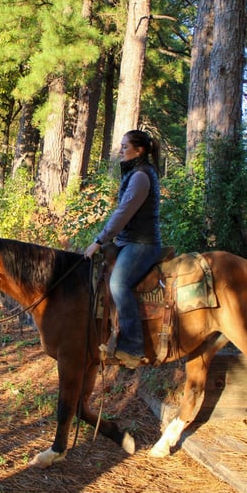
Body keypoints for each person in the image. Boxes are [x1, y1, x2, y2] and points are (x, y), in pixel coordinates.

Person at [84, 129, 162, 369]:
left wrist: (99, 240)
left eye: (125, 146)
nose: (121, 150)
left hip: (142, 243)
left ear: (139, 150)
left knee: (118, 283)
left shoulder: (140, 176)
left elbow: (124, 212)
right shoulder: (135, 173)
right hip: (127, 242)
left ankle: (133, 347)